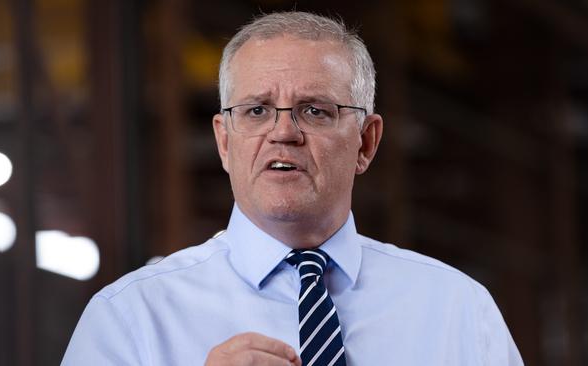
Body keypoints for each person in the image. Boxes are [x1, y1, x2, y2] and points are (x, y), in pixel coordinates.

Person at [62, 11, 523, 366]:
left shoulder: (458, 312)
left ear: (366, 141)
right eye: (257, 111)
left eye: (315, 111)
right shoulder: (130, 319)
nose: (283, 132)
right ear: (224, 141)